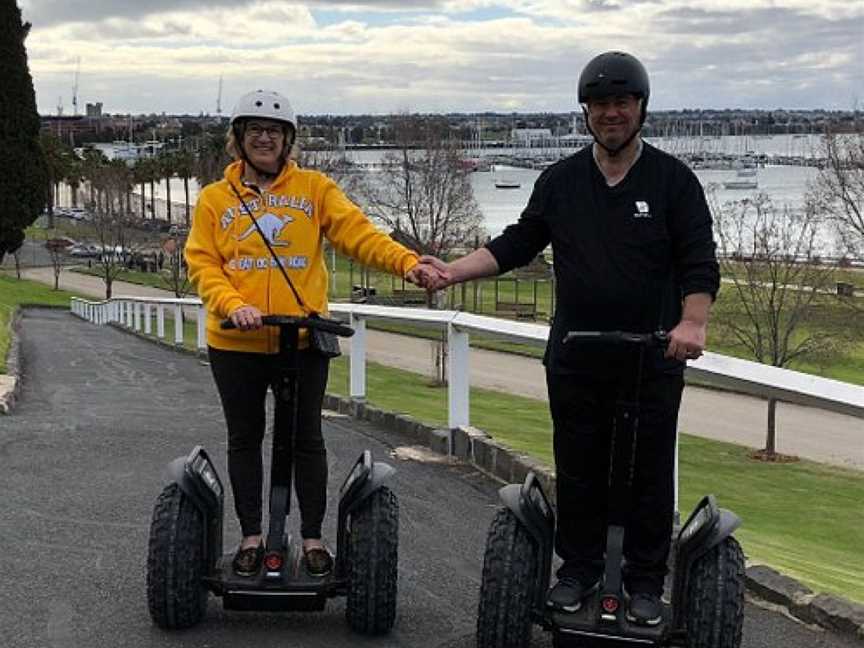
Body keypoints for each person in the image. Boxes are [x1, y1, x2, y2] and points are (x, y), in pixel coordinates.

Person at [420, 52, 719, 626]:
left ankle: (645, 580)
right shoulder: (560, 181)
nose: (612, 113)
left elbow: (699, 260)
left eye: (622, 103)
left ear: (640, 109)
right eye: (601, 104)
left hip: (653, 355)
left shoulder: (673, 181)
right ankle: (577, 570)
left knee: (649, 471)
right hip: (577, 353)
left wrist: (693, 322)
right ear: (585, 113)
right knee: (578, 465)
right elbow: (517, 243)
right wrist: (453, 270)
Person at [185, 89, 441, 578]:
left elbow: (359, 234)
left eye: (275, 132)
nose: (265, 139)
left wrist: (408, 263)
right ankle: (252, 537)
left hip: (302, 340)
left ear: (288, 141)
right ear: (238, 139)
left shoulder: (314, 189)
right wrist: (233, 304)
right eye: (255, 131)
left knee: (307, 438)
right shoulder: (216, 199)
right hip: (236, 342)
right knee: (244, 438)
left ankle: (313, 538)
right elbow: (202, 263)